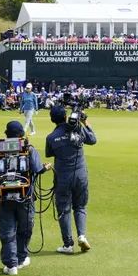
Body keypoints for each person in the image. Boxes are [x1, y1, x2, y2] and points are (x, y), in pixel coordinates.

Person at [0, 119, 47, 275]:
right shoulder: (29, 149)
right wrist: (45, 168)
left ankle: (11, 265)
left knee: (7, 231)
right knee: (25, 229)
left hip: (5, 198)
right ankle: (20, 260)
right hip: (25, 197)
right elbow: (37, 169)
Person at [46, 98, 97, 254]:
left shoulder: (51, 137)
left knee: (64, 210)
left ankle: (68, 244)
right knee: (80, 207)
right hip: (80, 175)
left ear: (52, 120)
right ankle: (82, 236)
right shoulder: (77, 128)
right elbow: (93, 139)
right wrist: (85, 122)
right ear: (65, 116)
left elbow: (49, 154)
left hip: (62, 177)